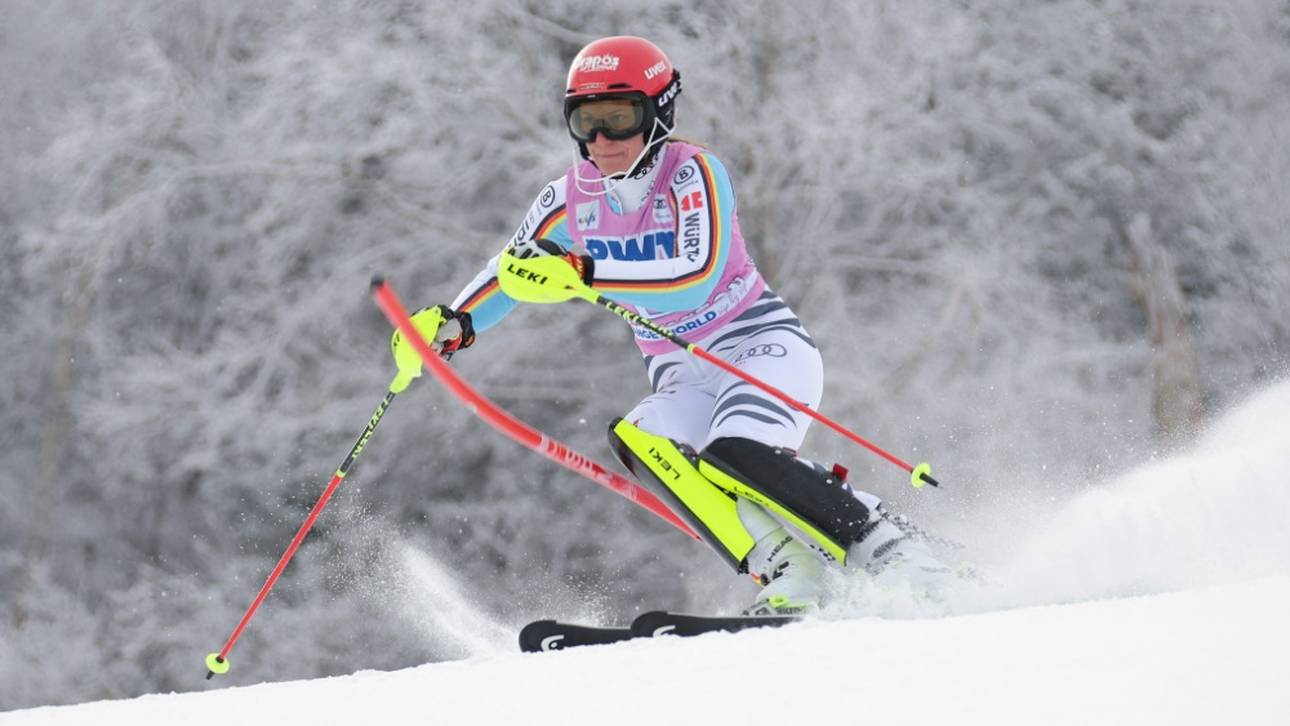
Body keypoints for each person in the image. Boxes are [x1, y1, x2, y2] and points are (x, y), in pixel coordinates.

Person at [395, 36, 953, 615]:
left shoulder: (693, 174)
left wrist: (585, 272)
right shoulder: (569, 197)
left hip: (757, 347)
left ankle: (889, 546)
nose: (602, 140)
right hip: (681, 375)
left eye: (620, 118)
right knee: (642, 438)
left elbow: (696, 275)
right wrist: (453, 324)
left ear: (659, 113)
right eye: (586, 121)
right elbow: (510, 269)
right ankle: (793, 570)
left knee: (737, 452)